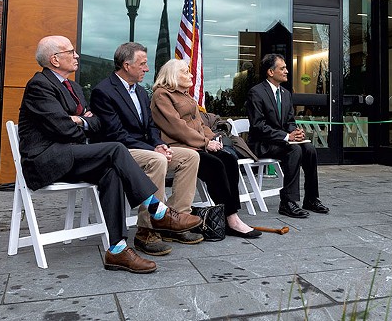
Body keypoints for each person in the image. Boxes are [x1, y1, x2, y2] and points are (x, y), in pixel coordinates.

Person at [17, 35, 201, 274]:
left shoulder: (72, 87)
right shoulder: (39, 85)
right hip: (45, 161)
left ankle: (117, 249)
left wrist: (78, 121)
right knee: (115, 148)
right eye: (71, 52)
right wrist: (82, 121)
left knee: (111, 172)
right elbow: (63, 128)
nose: (76, 56)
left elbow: (96, 125)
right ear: (54, 59)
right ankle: (158, 210)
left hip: (72, 155)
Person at [89, 42, 203, 254]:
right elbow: (115, 134)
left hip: (144, 148)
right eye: (142, 64)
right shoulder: (103, 91)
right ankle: (146, 230)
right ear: (126, 65)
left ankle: (175, 220)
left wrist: (159, 144)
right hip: (119, 151)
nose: (147, 69)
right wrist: (154, 150)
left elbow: (150, 127)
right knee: (157, 160)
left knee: (190, 156)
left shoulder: (141, 92)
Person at [151, 59, 262, 239]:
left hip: (197, 144)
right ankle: (230, 219)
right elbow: (177, 127)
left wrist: (212, 138)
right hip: (179, 148)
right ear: (172, 75)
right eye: (185, 72)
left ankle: (230, 215)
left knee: (229, 159)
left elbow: (200, 124)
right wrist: (204, 143)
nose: (191, 74)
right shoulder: (162, 95)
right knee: (215, 165)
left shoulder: (186, 95)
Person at [245, 53, 328, 218]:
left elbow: (289, 121)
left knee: (309, 148)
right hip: (262, 144)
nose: (287, 71)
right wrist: (286, 137)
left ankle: (311, 199)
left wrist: (295, 132)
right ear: (270, 72)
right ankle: (287, 202)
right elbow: (258, 126)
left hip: (282, 141)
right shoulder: (256, 92)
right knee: (294, 151)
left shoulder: (285, 94)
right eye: (282, 68)